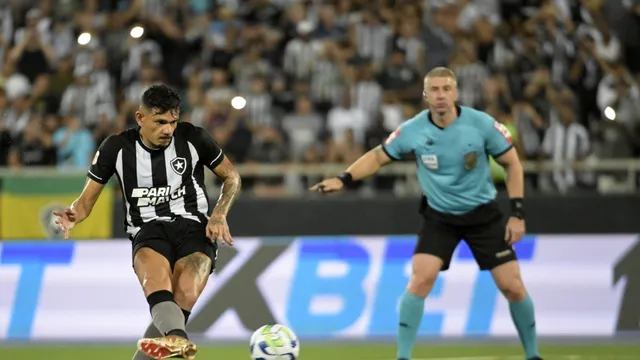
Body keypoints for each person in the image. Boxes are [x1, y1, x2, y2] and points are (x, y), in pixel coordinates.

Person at [311, 67, 542, 360]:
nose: (441, 95)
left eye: (447, 89)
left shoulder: (482, 125)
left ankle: (533, 355)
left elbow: (513, 163)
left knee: (513, 286)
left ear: (456, 93)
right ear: (425, 95)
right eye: (435, 89)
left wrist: (517, 213)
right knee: (420, 280)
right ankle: (403, 357)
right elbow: (378, 156)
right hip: (440, 216)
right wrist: (344, 179)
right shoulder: (413, 130)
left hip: (483, 215)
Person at [52, 85, 242, 360]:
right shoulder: (116, 147)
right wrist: (73, 214)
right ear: (140, 118)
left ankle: (176, 343)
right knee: (156, 284)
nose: (168, 130)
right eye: (160, 122)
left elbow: (232, 177)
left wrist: (219, 213)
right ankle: (179, 344)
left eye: (172, 122)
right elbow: (85, 201)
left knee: (183, 296)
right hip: (147, 229)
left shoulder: (194, 138)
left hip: (195, 228)